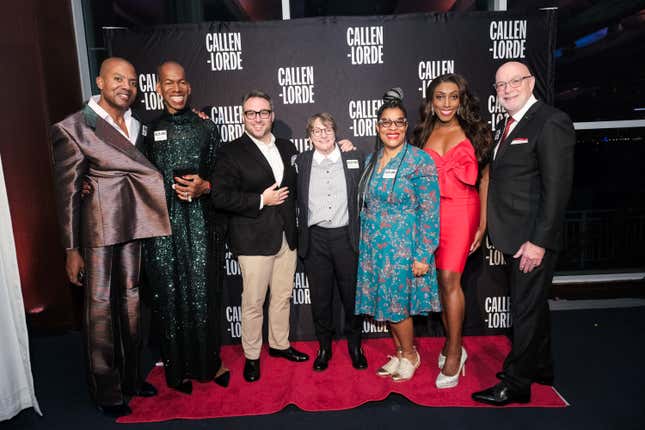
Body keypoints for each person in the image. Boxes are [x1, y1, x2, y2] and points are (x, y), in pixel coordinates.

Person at [50, 57, 170, 417]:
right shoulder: (72, 127)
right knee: (100, 311)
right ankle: (106, 391)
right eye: (118, 79)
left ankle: (132, 378)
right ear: (100, 81)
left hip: (134, 226)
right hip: (98, 231)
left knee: (132, 306)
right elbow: (66, 193)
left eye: (132, 82)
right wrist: (72, 250)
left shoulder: (138, 127)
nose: (126, 87)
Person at [472, 61, 575, 405]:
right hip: (513, 235)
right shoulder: (509, 123)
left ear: (531, 82)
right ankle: (540, 367)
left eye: (515, 81)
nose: (507, 89)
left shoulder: (550, 121)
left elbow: (557, 189)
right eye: (500, 85)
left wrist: (539, 242)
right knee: (533, 306)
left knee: (526, 311)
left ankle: (516, 385)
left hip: (531, 241)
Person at [140, 61, 229, 394]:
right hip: (162, 228)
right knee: (170, 297)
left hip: (202, 223)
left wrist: (204, 186)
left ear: (188, 87)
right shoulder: (147, 131)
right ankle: (177, 372)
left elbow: (222, 174)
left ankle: (208, 364)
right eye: (168, 83)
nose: (175, 88)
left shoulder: (207, 127)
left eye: (181, 82)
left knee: (205, 293)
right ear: (159, 89)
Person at [210, 90, 308, 383]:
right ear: (243, 117)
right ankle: (252, 355)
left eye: (263, 112)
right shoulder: (230, 151)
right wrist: (261, 200)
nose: (257, 118)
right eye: (251, 113)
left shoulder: (288, 148)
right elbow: (220, 197)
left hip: (286, 236)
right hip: (252, 239)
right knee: (253, 302)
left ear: (272, 116)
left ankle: (279, 344)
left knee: (282, 296)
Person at [355, 88, 441, 382]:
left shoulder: (420, 161)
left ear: (406, 126)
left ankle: (411, 354)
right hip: (374, 246)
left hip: (403, 247)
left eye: (399, 122)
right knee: (387, 304)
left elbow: (430, 212)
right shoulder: (371, 159)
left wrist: (423, 254)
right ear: (377, 127)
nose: (392, 128)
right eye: (386, 122)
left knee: (396, 306)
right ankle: (401, 353)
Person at [412, 73, 492, 388]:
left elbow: (485, 180)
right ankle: (449, 342)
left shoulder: (475, 133)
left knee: (449, 279)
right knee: (439, 285)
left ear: (462, 100)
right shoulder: (422, 134)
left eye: (453, 96)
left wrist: (483, 225)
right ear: (431, 102)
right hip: (432, 215)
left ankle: (456, 352)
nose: (447, 103)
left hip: (463, 211)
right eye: (440, 97)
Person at [294, 112, 367, 372]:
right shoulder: (301, 162)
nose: (322, 135)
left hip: (346, 238)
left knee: (351, 297)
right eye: (316, 130)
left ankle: (355, 346)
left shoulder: (353, 157)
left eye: (327, 130)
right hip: (315, 240)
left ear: (336, 132)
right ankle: (324, 347)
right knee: (321, 299)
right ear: (310, 136)